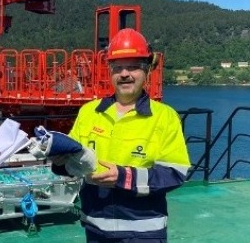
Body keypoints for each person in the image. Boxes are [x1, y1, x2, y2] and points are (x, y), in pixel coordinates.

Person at [53, 28, 190, 243]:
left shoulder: (165, 117)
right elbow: (73, 162)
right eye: (118, 67)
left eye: (133, 67)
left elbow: (175, 173)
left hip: (144, 233)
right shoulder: (89, 112)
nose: (125, 73)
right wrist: (57, 159)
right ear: (110, 72)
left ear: (147, 70)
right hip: (95, 228)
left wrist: (125, 177)